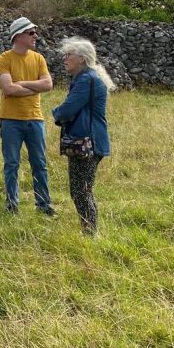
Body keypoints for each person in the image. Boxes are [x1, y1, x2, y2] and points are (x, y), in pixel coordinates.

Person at [52, 37, 114, 235]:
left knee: (81, 190)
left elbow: (68, 109)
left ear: (82, 59)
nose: (65, 59)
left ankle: (90, 233)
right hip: (92, 140)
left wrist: (56, 113)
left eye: (69, 55)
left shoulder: (86, 79)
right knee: (82, 189)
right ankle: (88, 231)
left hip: (87, 142)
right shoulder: (89, 77)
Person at [0, 16, 55, 215]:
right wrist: (34, 87)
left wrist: (21, 84)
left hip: (35, 118)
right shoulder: (4, 59)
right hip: (10, 119)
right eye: (31, 33)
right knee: (11, 163)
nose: (35, 36)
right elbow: (8, 88)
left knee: (40, 163)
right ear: (18, 36)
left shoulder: (38, 58)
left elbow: (48, 85)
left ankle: (44, 205)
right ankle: (12, 205)